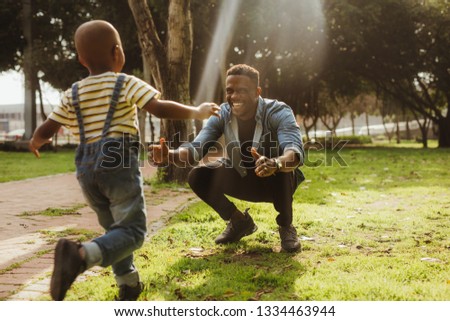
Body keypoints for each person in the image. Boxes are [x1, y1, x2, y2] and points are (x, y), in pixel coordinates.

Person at [29, 20, 219, 301]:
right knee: (133, 231)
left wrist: (35, 141)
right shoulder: (124, 82)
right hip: (116, 162)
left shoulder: (73, 93)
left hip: (85, 169)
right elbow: (159, 108)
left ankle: (128, 283)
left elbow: (48, 128)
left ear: (81, 59)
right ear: (117, 52)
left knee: (115, 230)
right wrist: (197, 112)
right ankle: (80, 255)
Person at [149, 64, 305, 252]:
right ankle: (239, 222)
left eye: (242, 91)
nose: (234, 97)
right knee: (198, 175)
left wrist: (275, 163)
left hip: (275, 181)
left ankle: (286, 227)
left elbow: (294, 152)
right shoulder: (222, 114)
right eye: (230, 91)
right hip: (241, 177)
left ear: (257, 92)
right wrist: (170, 155)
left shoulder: (278, 111)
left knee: (282, 166)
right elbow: (194, 151)